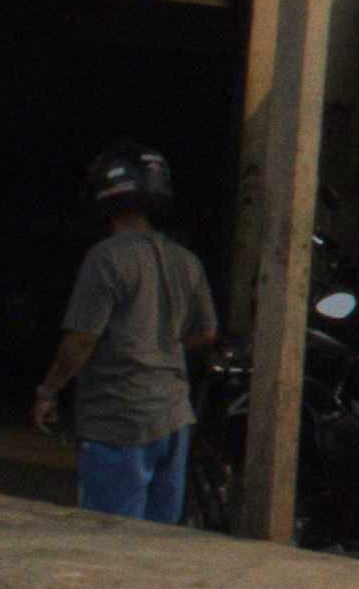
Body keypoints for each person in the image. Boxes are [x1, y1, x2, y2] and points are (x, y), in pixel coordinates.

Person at [32, 145, 220, 522]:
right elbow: (207, 332)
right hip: (174, 420)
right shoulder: (188, 261)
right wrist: (159, 347)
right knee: (157, 541)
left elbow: (82, 339)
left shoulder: (106, 257)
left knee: (110, 538)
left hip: (118, 420)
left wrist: (48, 391)